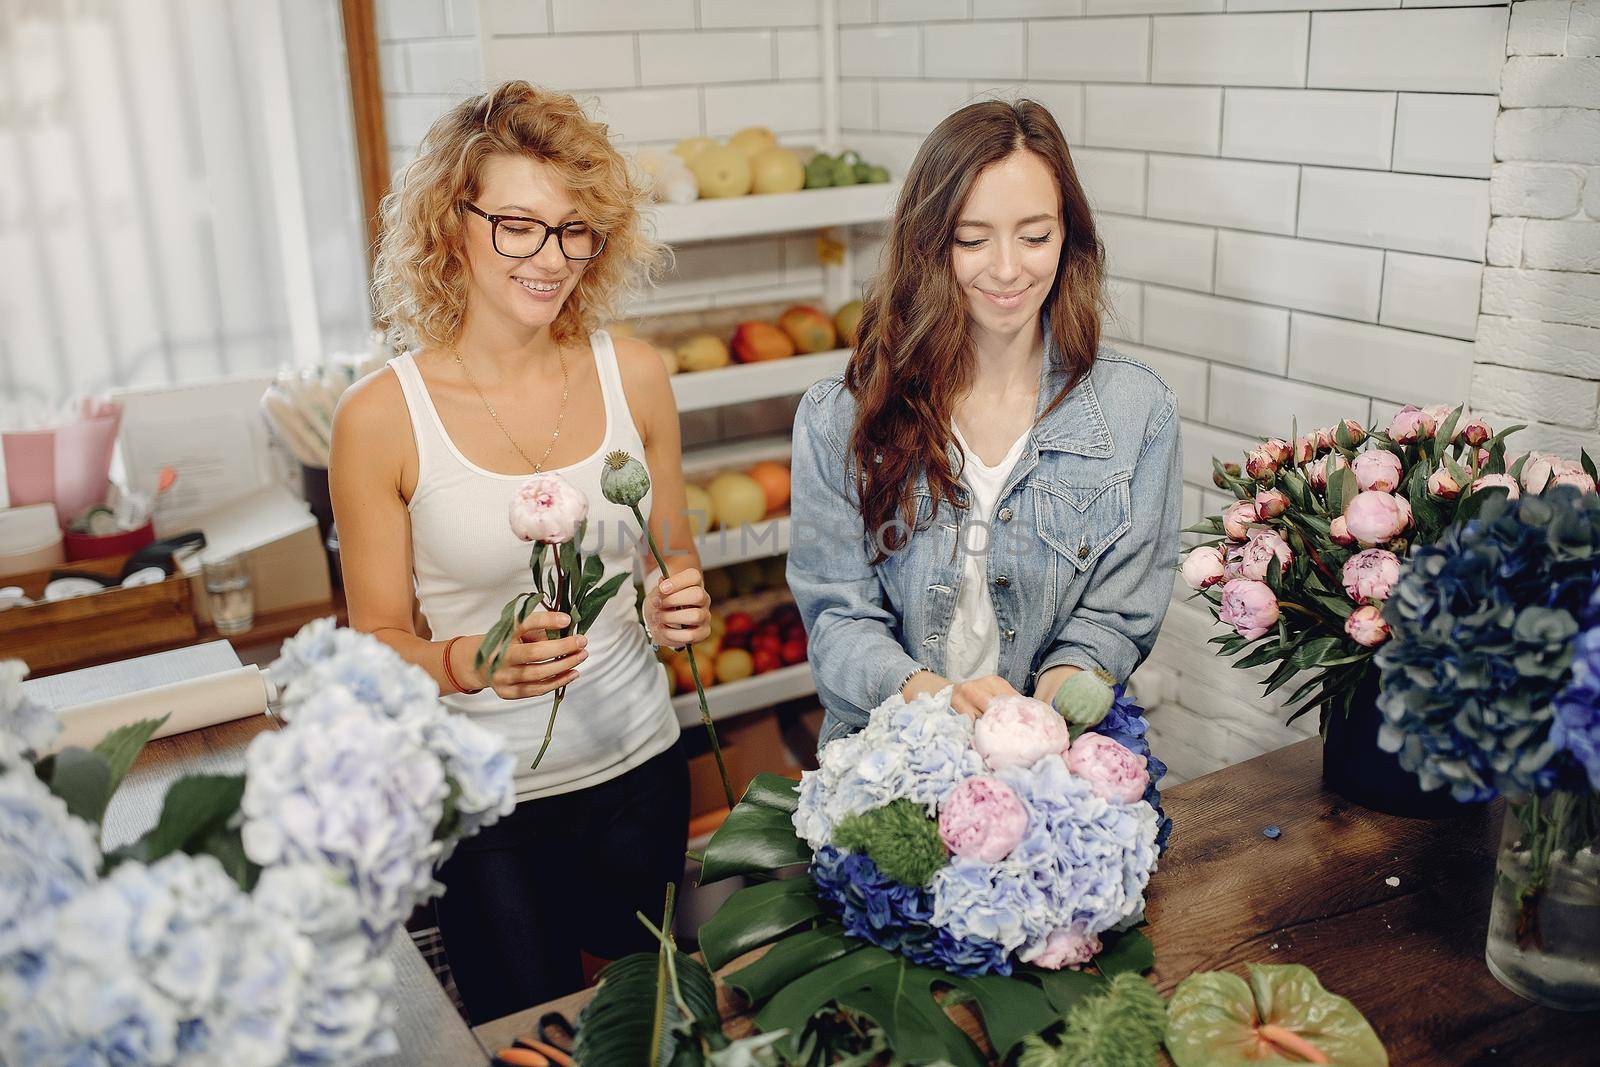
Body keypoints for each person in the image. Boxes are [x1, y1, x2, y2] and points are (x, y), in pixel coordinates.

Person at [330, 81, 711, 1023]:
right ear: (450, 224)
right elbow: (376, 639)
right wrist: (470, 661)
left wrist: (681, 600)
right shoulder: (380, 418)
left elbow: (673, 550)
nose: (551, 259)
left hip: (640, 769)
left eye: (574, 229)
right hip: (485, 806)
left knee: (658, 1024)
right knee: (527, 1035)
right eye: (517, 225)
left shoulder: (639, 375)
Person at [788, 99, 1181, 748]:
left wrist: (1050, 702)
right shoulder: (840, 418)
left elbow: (1117, 615)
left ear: (1068, 236)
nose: (1006, 269)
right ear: (929, 243)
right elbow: (838, 621)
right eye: (972, 239)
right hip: (887, 768)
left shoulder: (1137, 412)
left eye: (1035, 236)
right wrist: (939, 699)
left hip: (1052, 768)